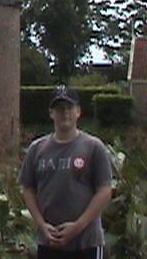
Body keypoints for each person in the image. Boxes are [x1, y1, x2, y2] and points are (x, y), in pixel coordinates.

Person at [18, 86, 113, 259]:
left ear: (78, 111)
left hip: (86, 243)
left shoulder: (94, 147)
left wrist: (78, 226)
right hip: (49, 242)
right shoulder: (36, 149)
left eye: (69, 107)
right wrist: (41, 225)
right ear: (51, 113)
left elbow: (104, 191)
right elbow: (28, 190)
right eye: (59, 108)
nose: (65, 113)